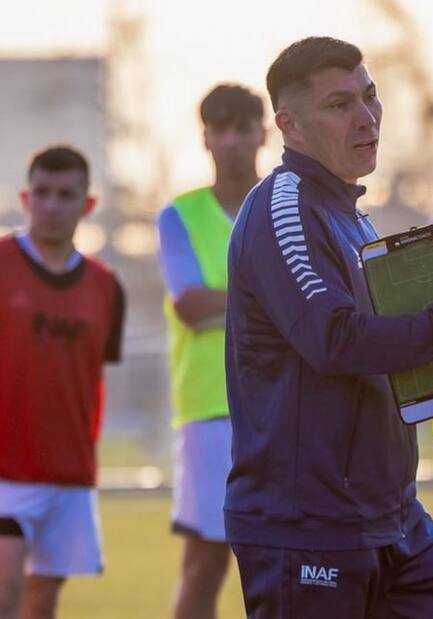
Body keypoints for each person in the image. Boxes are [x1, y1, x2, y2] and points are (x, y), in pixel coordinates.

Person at [224, 36, 433, 618]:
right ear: (291, 126)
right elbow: (333, 339)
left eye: (370, 96)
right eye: (339, 105)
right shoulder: (284, 208)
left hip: (393, 519)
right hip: (307, 528)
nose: (365, 117)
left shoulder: (354, 218)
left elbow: (378, 351)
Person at [0, 146, 125, 619]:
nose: (51, 205)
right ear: (26, 198)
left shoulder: (107, 286)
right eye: (41, 193)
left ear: (88, 204)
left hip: (69, 473)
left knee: (41, 601)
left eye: (65, 195)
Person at [156, 83, 266, 619]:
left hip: (281, 405)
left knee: (286, 561)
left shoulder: (287, 205)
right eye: (219, 129)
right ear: (205, 138)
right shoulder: (179, 215)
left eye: (241, 128)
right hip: (208, 411)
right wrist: (272, 296)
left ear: (263, 133)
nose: (231, 141)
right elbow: (191, 305)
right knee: (206, 561)